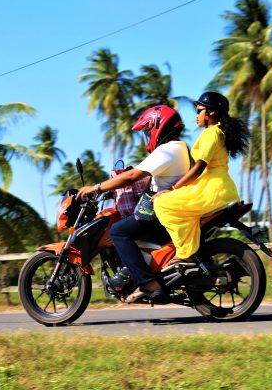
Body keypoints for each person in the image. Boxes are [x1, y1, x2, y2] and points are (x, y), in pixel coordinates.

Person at [76, 105, 190, 303]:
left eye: (148, 131)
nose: (147, 137)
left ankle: (146, 283)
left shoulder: (166, 151)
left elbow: (132, 176)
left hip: (160, 211)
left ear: (157, 126)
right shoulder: (181, 149)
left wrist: (97, 188)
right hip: (171, 208)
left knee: (118, 231)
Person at [153, 91, 249, 264]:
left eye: (199, 111)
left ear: (210, 112)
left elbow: (199, 167)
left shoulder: (211, 133)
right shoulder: (219, 132)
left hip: (211, 188)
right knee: (184, 213)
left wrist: (173, 188)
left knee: (162, 203)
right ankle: (192, 249)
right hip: (220, 187)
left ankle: (184, 252)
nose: (196, 116)